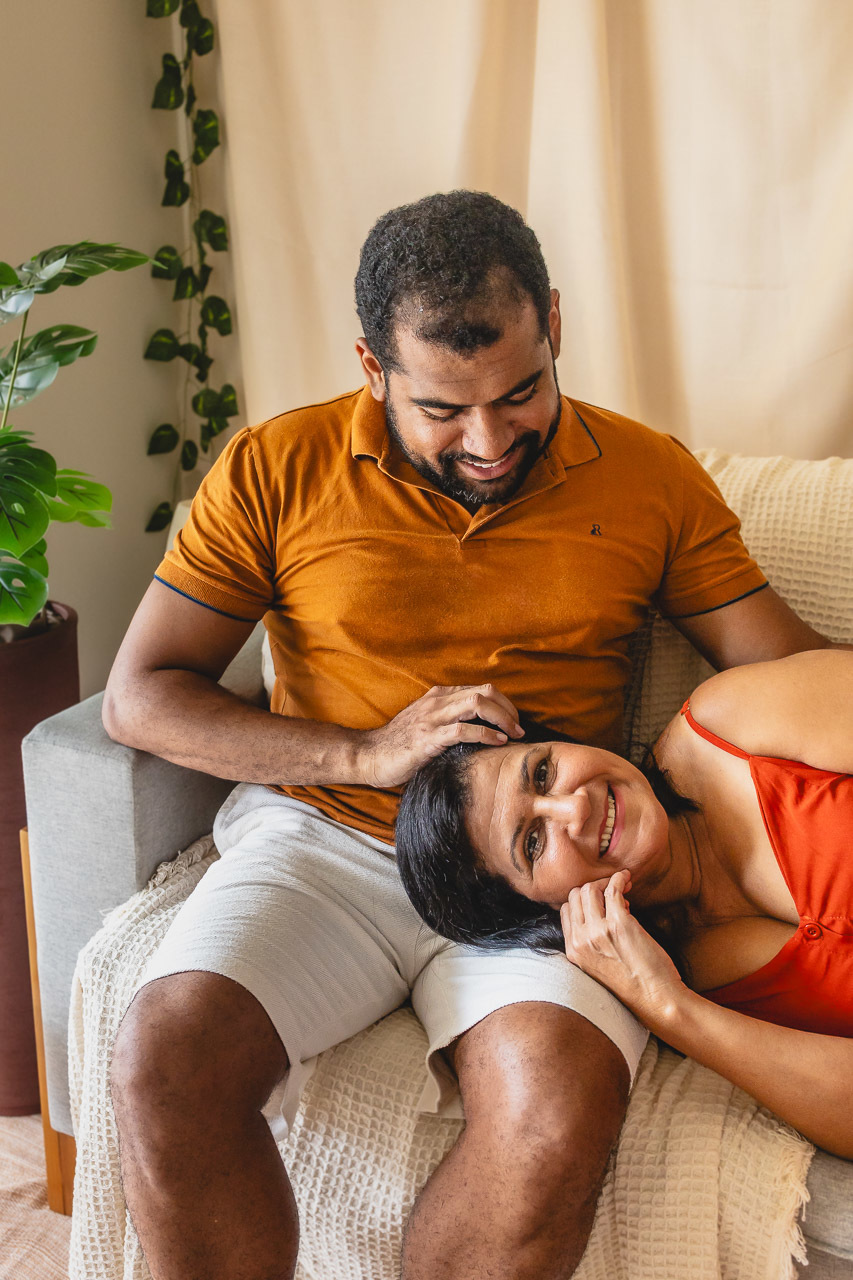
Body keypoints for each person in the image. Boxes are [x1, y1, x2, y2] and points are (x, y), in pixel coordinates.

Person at [103, 190, 845, 1280]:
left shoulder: (649, 476)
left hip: (541, 879)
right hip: (325, 840)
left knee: (552, 1115)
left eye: (520, 391)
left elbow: (785, 671)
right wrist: (360, 755)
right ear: (373, 366)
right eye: (442, 409)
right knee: (165, 1057)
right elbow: (140, 696)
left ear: (553, 324)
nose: (489, 440)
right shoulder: (275, 467)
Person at [395, 649, 853, 1158]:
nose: (575, 806)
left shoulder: (730, 723)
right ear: (539, 911)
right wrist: (672, 1010)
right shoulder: (680, 982)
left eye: (542, 772)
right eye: (533, 843)